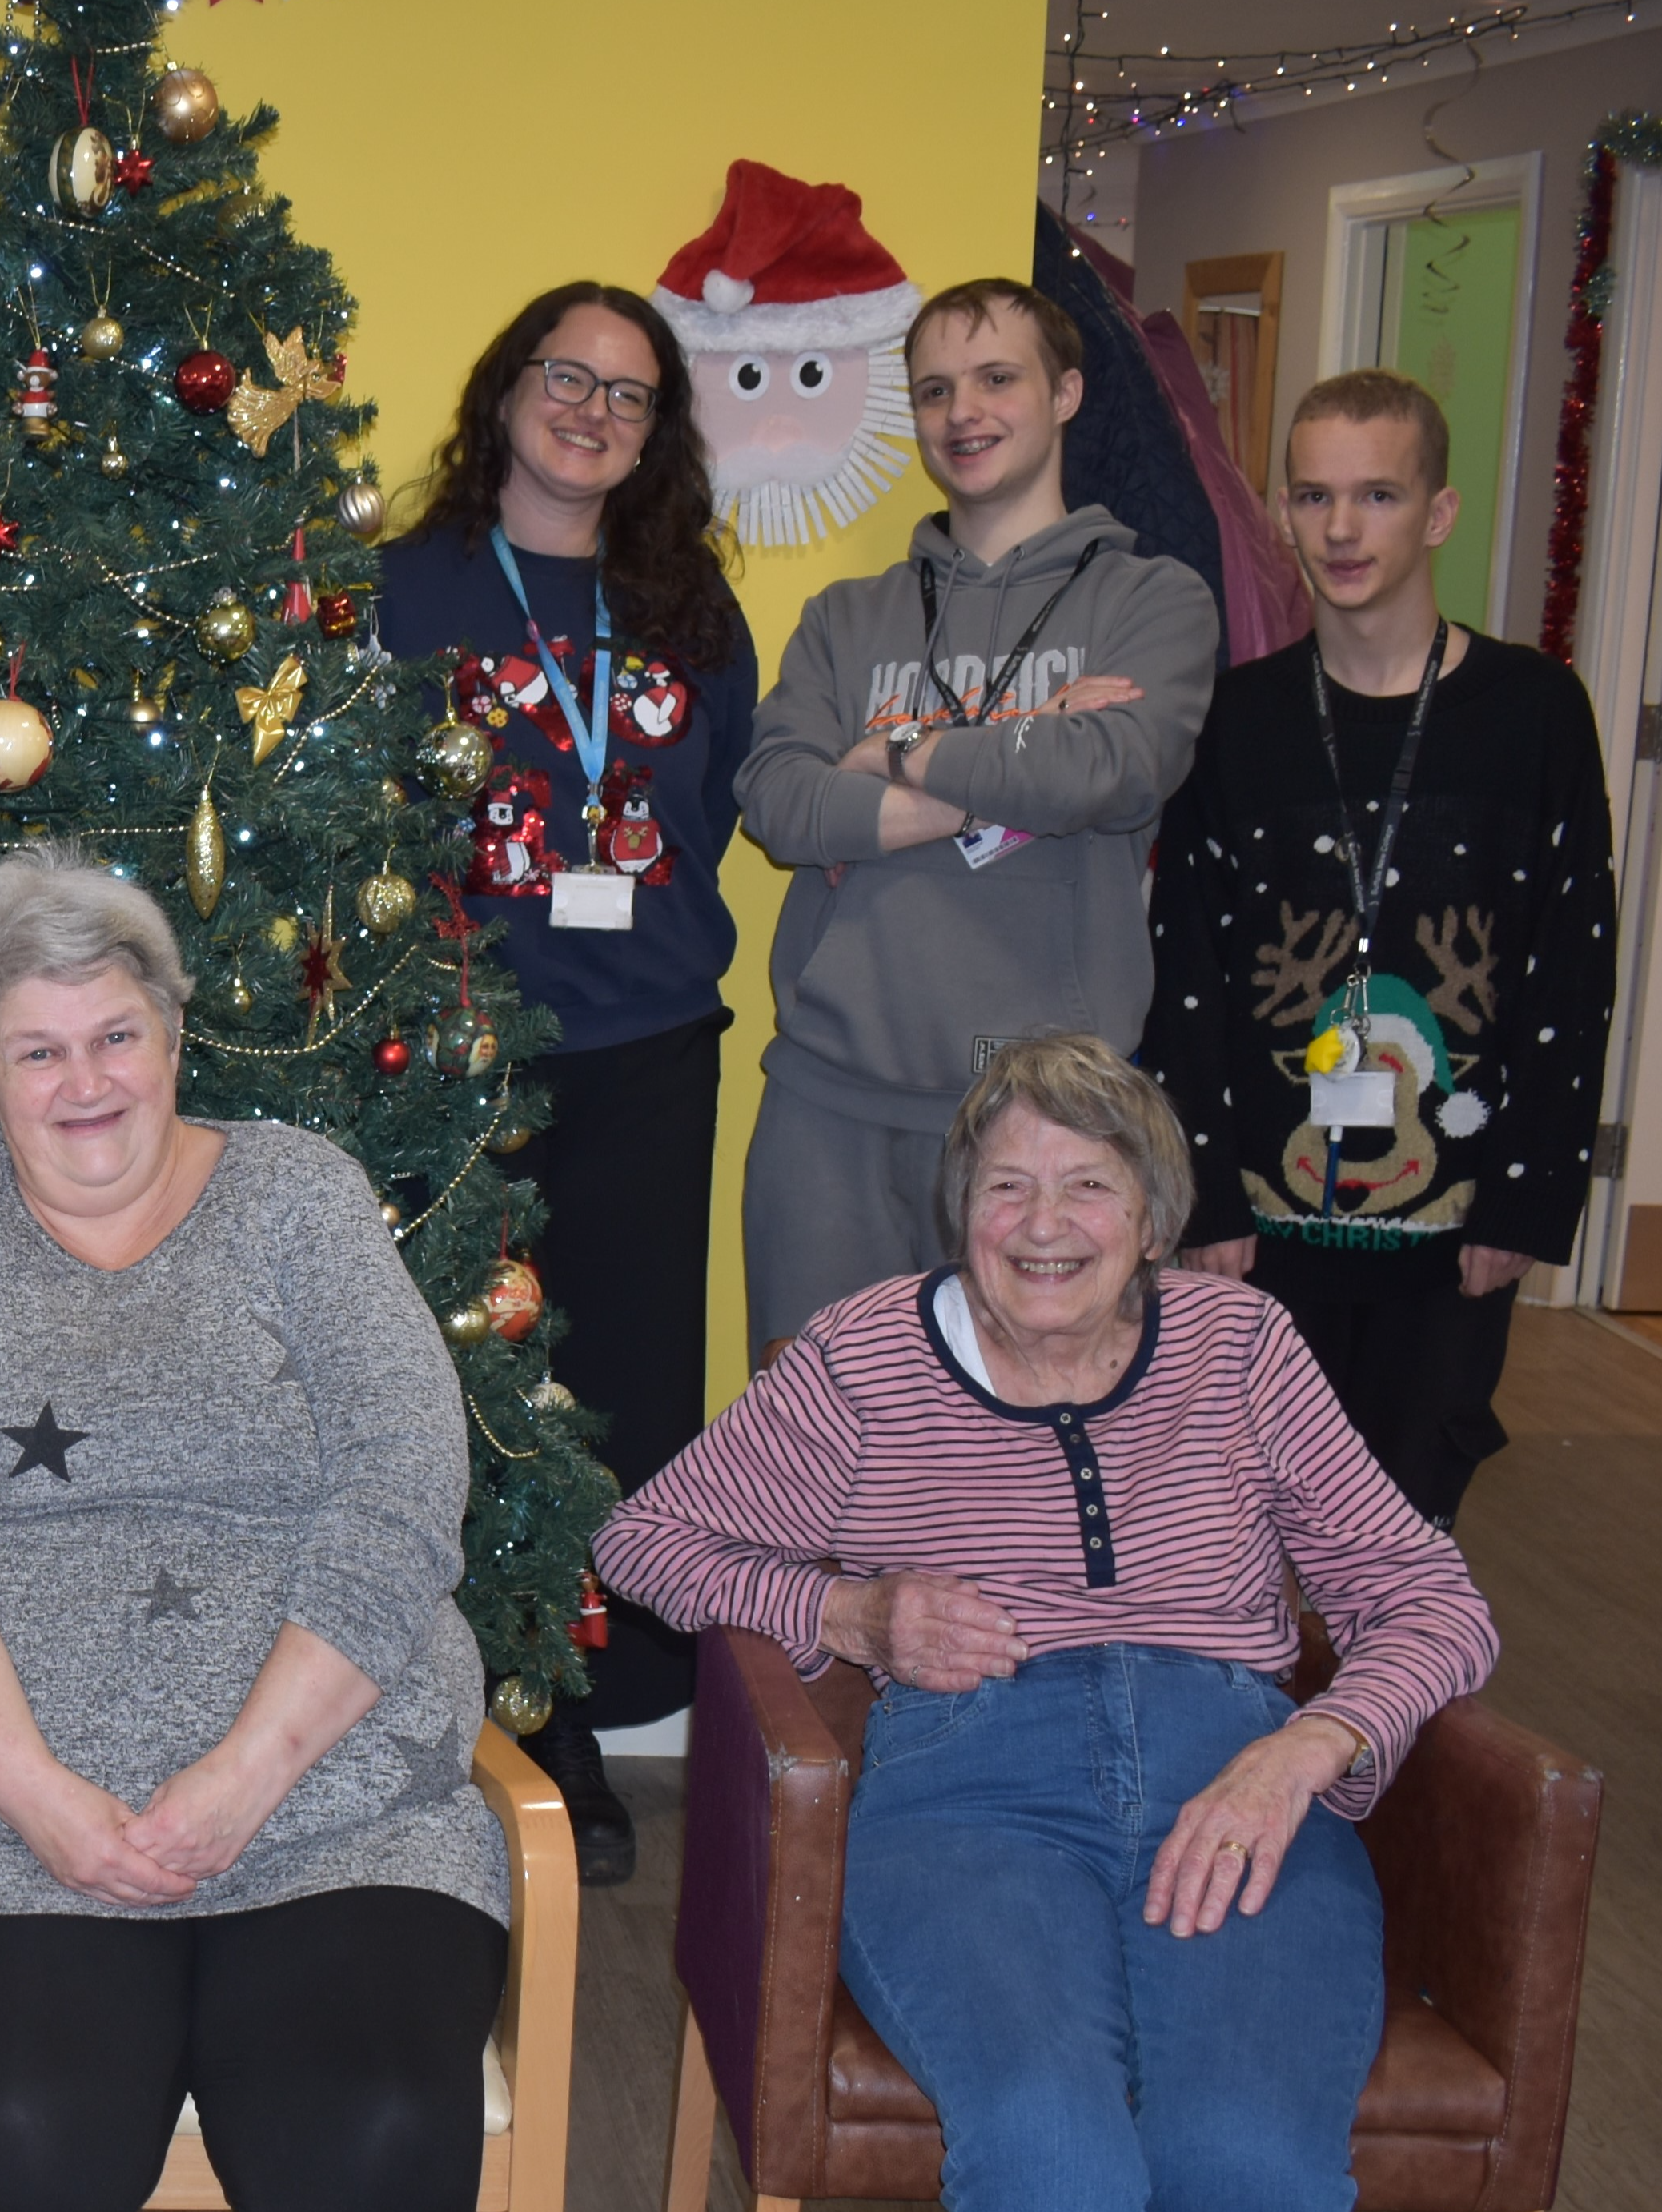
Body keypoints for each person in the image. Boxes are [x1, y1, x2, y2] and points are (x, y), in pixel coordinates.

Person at [594, 1032, 1499, 2211]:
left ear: (1155, 1224)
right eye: (1005, 1186)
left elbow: (1434, 1598)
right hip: (967, 1795)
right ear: (960, 1209)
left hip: (1236, 1780)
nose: (1041, 1225)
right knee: (1051, 2158)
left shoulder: (1245, 1349)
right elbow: (643, 1542)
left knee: (1251, 2165)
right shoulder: (863, 1358)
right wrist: (853, 1613)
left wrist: (1306, 1751)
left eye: (1088, 1187)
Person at [0, 845, 508, 2212]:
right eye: (38, 1053)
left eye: (118, 1034)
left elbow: (405, 1485)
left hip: (330, 1806)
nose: (88, 1081)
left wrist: (242, 1779)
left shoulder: (299, 1195)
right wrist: (43, 1801)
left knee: (376, 2124)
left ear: (174, 1034)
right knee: (31, 2127)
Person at [375, 281, 757, 1883]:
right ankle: (449, 1715)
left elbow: (720, 790)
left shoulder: (686, 606)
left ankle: (575, 1723)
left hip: (648, 1055)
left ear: (654, 433)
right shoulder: (410, 587)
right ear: (503, 389)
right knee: (464, 1397)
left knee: (619, 1404)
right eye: (563, 376)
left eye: (626, 393)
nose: (589, 411)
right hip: (457, 1063)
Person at [1145, 368, 1616, 1530]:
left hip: (1451, 1223)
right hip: (1259, 1223)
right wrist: (1202, 1195)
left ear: (1440, 512)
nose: (1341, 531)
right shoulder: (1237, 720)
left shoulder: (1535, 710)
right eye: (1312, 498)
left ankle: (1389, 1721)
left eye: (1378, 496)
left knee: (1407, 1528)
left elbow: (1572, 965)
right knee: (1239, 1522)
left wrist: (1528, 1196)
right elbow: (1188, 971)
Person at [734, 278, 1219, 1362]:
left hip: (1053, 1129)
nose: (965, 413)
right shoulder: (846, 617)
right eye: (937, 390)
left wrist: (892, 756)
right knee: (818, 1456)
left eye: (998, 378)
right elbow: (777, 801)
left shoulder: (1152, 599)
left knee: (1035, 1454)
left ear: (1067, 392)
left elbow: (1115, 767)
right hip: (833, 1112)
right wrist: (1022, 751)